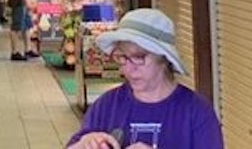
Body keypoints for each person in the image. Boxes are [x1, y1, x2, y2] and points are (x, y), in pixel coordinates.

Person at [65, 9, 222, 149]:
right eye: (122, 57)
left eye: (138, 57)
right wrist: (84, 143)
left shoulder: (196, 112)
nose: (129, 68)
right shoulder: (106, 106)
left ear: (163, 59)